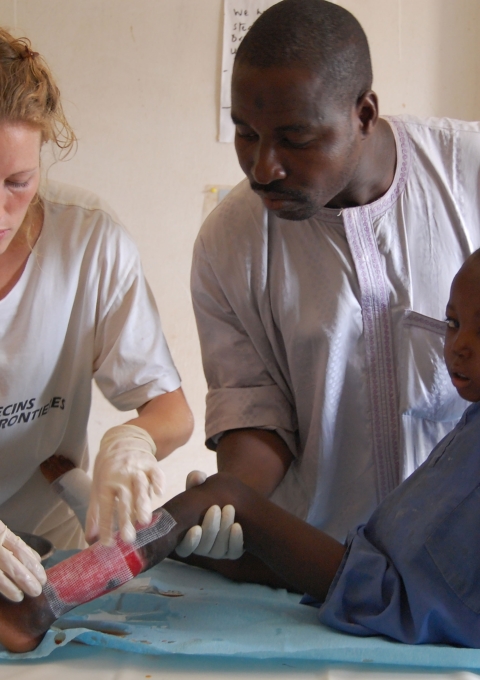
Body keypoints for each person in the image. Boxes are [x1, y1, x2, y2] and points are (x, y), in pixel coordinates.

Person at [4, 248, 480, 652]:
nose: (459, 346)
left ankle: (38, 607)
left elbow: (424, 594)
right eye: (452, 323)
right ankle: (121, 541)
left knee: (220, 496)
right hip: (374, 571)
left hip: (395, 596)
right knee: (200, 544)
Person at [190, 0, 480, 550]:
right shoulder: (227, 245)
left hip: (461, 567)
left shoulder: (470, 172)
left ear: (364, 114)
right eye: (246, 133)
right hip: (317, 568)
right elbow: (258, 415)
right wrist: (226, 505)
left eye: (295, 138)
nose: (262, 168)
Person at [0, 28, 193, 604]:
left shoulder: (86, 242)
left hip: (47, 554)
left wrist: (130, 440)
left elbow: (172, 412)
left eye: (17, 183)